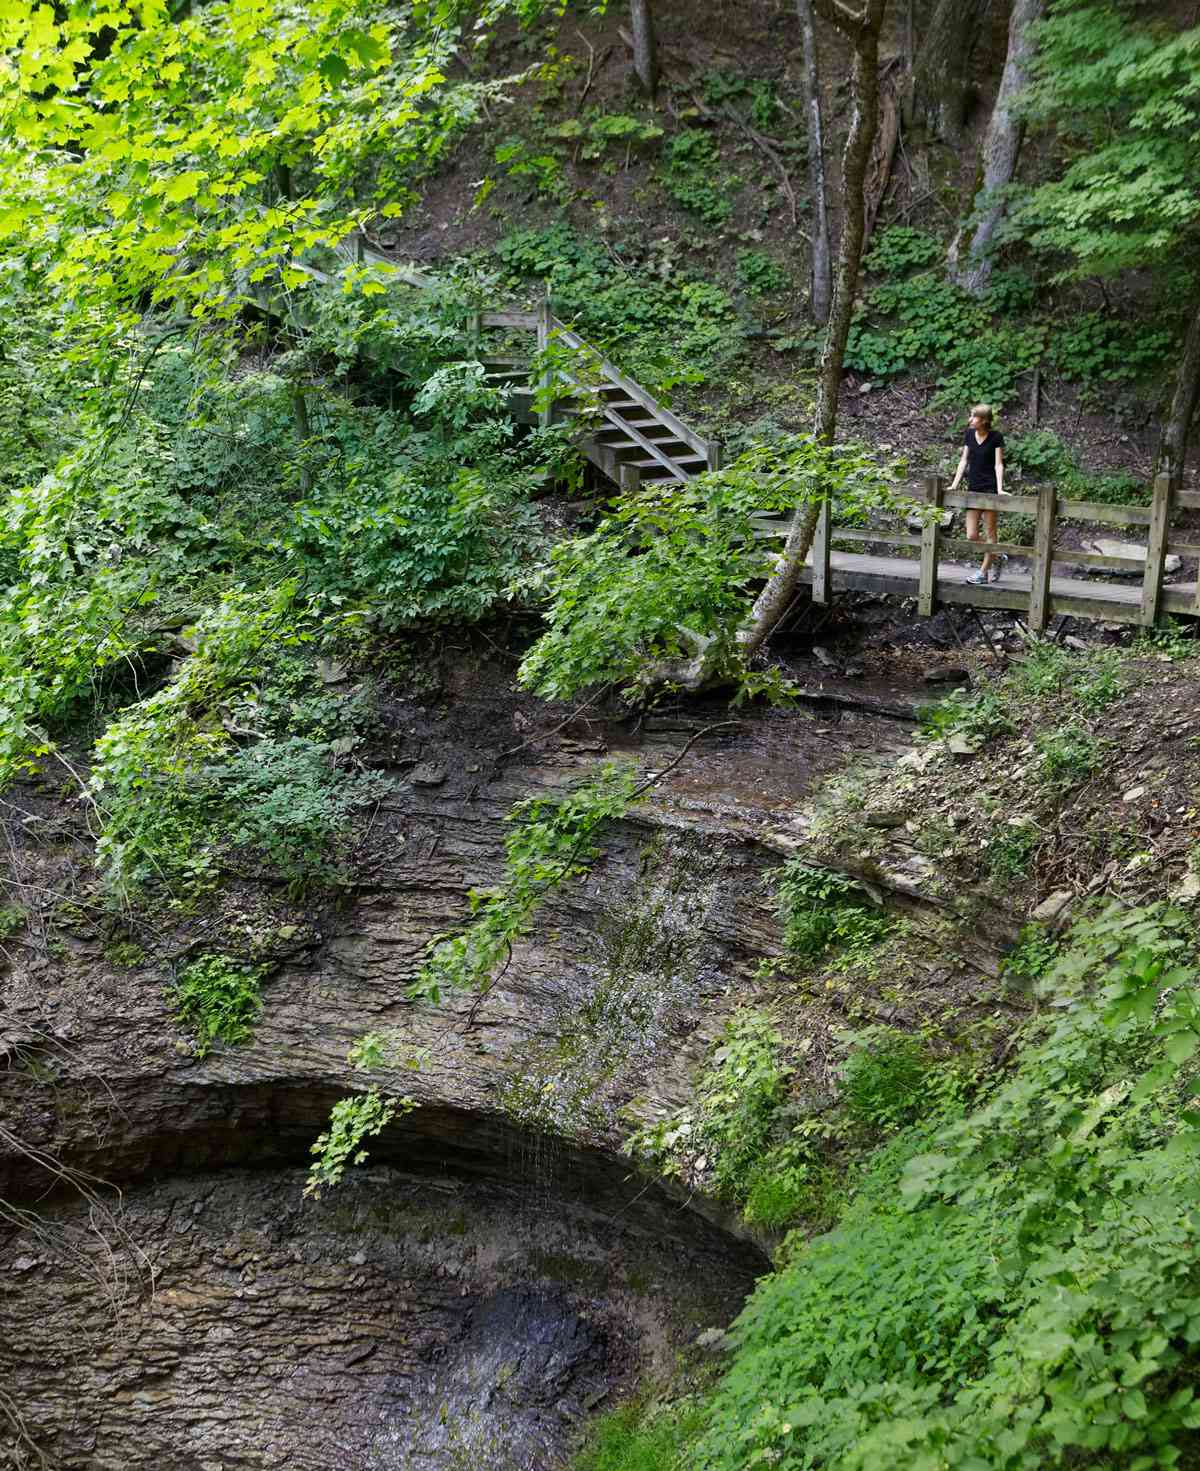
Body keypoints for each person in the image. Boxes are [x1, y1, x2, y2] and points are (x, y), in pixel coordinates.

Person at [947, 404, 1007, 584]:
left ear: (984, 420)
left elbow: (998, 464)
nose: (970, 420)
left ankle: (982, 573)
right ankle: (997, 554)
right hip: (973, 490)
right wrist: (954, 485)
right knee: (971, 535)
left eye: (974, 417)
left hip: (989, 491)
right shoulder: (969, 435)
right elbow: (963, 461)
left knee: (990, 533)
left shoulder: (996, 437)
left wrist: (999, 488)